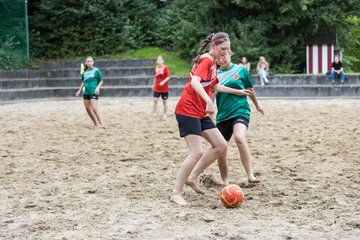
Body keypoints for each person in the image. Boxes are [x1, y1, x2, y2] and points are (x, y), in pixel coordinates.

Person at [170, 32, 254, 206]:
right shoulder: (206, 60)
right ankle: (176, 193)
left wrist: (237, 91)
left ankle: (193, 177)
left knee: (221, 145)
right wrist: (209, 101)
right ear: (213, 46)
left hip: (199, 111)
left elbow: (214, 85)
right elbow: (194, 83)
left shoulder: (214, 64)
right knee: (197, 151)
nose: (225, 53)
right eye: (223, 49)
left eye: (228, 49)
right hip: (187, 110)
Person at [216, 51, 264, 186]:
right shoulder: (215, 73)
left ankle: (250, 175)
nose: (221, 59)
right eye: (219, 57)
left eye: (224, 56)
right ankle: (225, 181)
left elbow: (250, 90)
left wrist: (257, 105)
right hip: (223, 114)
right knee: (221, 148)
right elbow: (211, 92)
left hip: (240, 110)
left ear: (230, 54)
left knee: (239, 138)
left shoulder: (241, 70)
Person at [75, 56, 105, 128]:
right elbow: (83, 82)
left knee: (94, 108)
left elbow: (101, 81)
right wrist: (79, 90)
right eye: (88, 61)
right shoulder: (84, 72)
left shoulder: (96, 70)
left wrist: (98, 88)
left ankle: (102, 123)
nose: (89, 62)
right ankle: (95, 123)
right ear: (85, 63)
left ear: (93, 62)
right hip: (86, 92)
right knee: (88, 109)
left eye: (91, 61)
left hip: (94, 91)